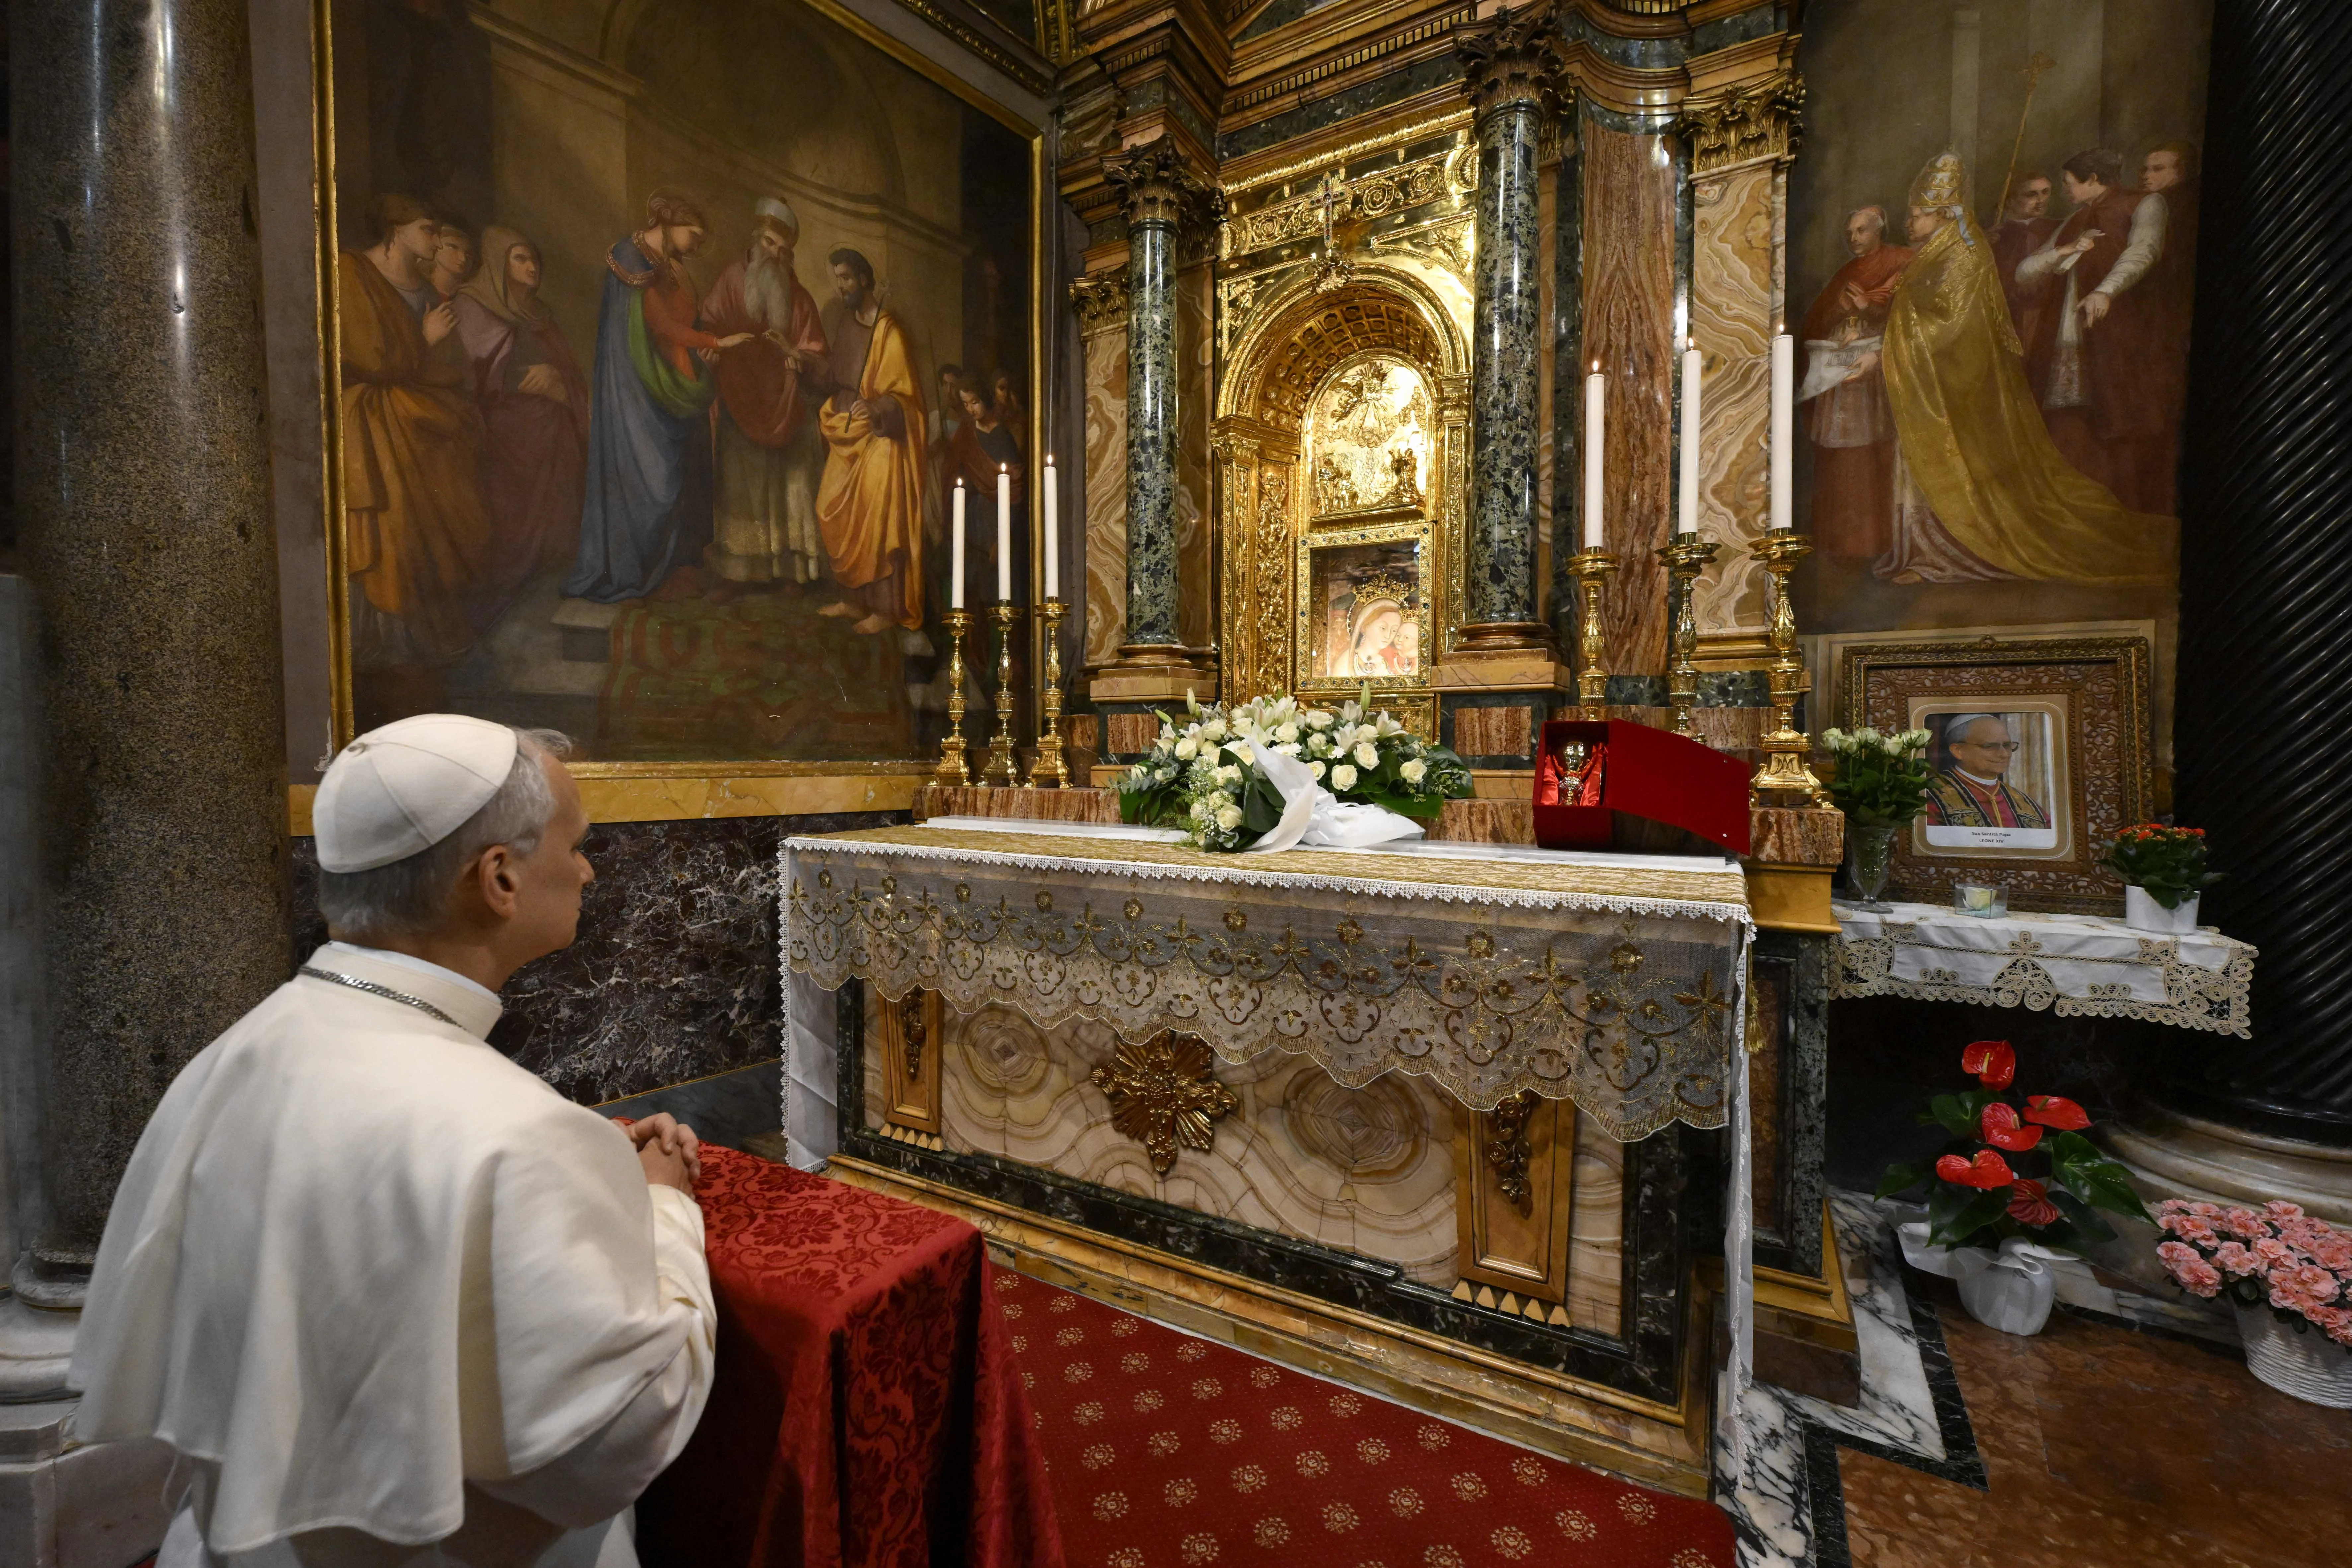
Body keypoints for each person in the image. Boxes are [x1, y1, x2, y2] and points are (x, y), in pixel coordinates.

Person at [73, 715, 717, 1568]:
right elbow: (616, 1437)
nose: (590, 868)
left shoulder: (239, 1051)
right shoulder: (520, 1132)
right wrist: (663, 1208)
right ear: (499, 879)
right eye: (576, 843)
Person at [1875, 151, 2171, 587]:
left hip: (1954, 380)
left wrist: (1902, 336)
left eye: (1917, 215)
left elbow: (1958, 323)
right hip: (1928, 380)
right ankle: (1922, 551)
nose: (1910, 224)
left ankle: (1949, 552)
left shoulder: (1964, 253)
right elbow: (2023, 272)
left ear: (1941, 215)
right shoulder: (1938, 250)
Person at [339, 193, 494, 719]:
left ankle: (424, 638)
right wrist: (422, 341)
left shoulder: (426, 289)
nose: (435, 240)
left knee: (441, 512)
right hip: (375, 423)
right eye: (428, 230)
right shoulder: (351, 272)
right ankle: (386, 647)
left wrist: (436, 364)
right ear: (396, 228)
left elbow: (451, 365)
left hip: (423, 421)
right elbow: (370, 359)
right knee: (394, 528)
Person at [565, 193, 757, 606]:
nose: (697, 245)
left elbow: (682, 322)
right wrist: (716, 341)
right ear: (673, 222)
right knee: (652, 477)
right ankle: (641, 571)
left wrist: (703, 351)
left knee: (691, 468)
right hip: (641, 391)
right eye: (694, 235)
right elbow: (659, 324)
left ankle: (678, 568)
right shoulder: (631, 257)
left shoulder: (671, 266)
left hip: (676, 384)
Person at [2016, 148, 2174, 512]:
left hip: (2120, 327)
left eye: (2069, 184)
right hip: (2069, 334)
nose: (2065, 191)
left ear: (2092, 180)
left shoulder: (2146, 204)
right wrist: (2061, 252)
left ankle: (2126, 510)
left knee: (2119, 414)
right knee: (2069, 421)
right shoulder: (2075, 219)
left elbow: (2143, 252)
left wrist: (2105, 290)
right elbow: (2025, 271)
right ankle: (2076, 510)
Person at [452, 227, 590, 609]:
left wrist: (560, 382)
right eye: (521, 258)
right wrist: (525, 381)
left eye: (534, 260)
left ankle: (552, 586)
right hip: (503, 435)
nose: (533, 267)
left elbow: (571, 372)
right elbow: (463, 376)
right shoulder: (470, 306)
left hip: (552, 432)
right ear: (498, 262)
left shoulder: (539, 316)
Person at [698, 197, 832, 591]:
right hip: (739, 398)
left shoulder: (799, 297)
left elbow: (819, 355)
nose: (776, 254)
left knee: (789, 488)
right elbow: (708, 325)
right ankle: (741, 570)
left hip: (786, 405)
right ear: (759, 240)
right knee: (742, 489)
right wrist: (714, 346)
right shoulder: (730, 280)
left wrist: (800, 360)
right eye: (771, 244)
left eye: (784, 250)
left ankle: (790, 571)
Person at [815, 247, 928, 633]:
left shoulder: (890, 331)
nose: (841, 286)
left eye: (846, 278)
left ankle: (883, 608)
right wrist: (800, 363)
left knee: (879, 516)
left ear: (864, 279)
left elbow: (906, 398)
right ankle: (852, 600)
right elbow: (834, 377)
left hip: (880, 438)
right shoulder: (847, 325)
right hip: (845, 430)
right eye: (837, 278)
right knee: (829, 505)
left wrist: (878, 409)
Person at [1796, 205, 1913, 559]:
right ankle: (1839, 543)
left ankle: (1874, 542)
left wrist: (1867, 308)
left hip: (1878, 377)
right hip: (1841, 377)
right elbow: (1819, 318)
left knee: (1873, 457)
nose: (1854, 239)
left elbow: (1910, 319)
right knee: (1840, 462)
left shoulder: (1902, 262)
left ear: (1879, 231)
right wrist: (1839, 317)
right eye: (1850, 233)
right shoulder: (1846, 272)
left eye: (1861, 231)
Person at [2136, 140, 2201, 511]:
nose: (2147, 175)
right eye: (2145, 168)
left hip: (2173, 316)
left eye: (2158, 169)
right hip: (2151, 318)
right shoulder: (2148, 205)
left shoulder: (2185, 206)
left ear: (2179, 172)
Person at [942, 382, 1025, 611]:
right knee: (971, 588)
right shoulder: (966, 433)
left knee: (999, 588)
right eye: (966, 404)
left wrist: (1002, 537)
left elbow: (1015, 489)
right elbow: (953, 473)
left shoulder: (1002, 437)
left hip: (1000, 518)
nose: (971, 410)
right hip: (973, 518)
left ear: (986, 400)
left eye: (975, 402)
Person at [1925, 712, 2052, 829]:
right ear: (1959, 751)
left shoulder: (2026, 804)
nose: (2004, 754)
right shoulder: (1930, 797)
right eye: (1990, 746)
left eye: (2007, 746)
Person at [1990, 173, 2057, 343]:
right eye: (2032, 195)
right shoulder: (1995, 238)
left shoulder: (2058, 230)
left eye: (2045, 192)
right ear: (2011, 201)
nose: (2041, 200)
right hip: (2009, 318)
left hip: (2049, 316)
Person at [431, 225, 478, 300]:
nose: (463, 259)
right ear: (435, 246)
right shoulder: (422, 291)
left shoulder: (471, 297)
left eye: (468, 254)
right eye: (453, 247)